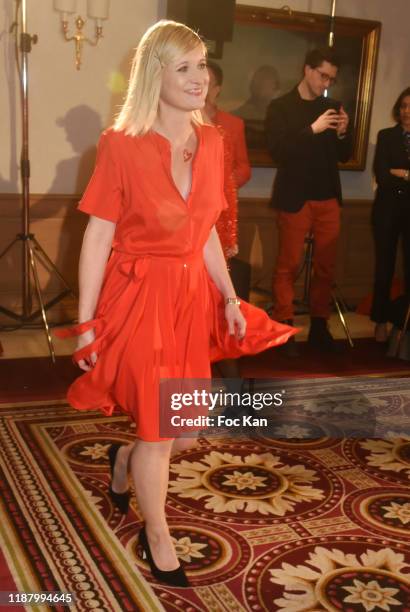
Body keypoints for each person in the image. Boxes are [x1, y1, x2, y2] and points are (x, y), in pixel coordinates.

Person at [57, 20, 296, 588]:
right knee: (162, 431)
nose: (199, 78)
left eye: (202, 65)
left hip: (191, 298)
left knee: (183, 428)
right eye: (183, 67)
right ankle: (157, 535)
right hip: (138, 296)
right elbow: (96, 237)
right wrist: (88, 322)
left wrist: (230, 296)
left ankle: (124, 461)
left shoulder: (211, 141)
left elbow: (207, 228)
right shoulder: (121, 145)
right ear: (153, 73)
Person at [265, 47, 351, 356]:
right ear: (307, 70)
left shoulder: (332, 105)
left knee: (326, 267)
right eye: (322, 75)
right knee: (288, 264)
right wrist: (311, 130)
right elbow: (278, 150)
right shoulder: (280, 107)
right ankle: (285, 327)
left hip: (328, 194)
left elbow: (343, 155)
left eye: (331, 78)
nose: (326, 82)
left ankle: (319, 325)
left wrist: (342, 133)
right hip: (295, 196)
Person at [371, 86, 410, 342]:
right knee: (383, 268)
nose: (407, 111)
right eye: (404, 106)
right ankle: (380, 320)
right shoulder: (386, 136)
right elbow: (382, 176)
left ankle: (402, 322)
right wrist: (405, 175)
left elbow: (392, 174)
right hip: (386, 211)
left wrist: (401, 172)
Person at [203, 60, 251, 260]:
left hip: (221, 207)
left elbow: (244, 168)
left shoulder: (233, 124)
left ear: (217, 89)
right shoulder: (181, 122)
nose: (200, 86)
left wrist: (224, 184)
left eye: (207, 82)